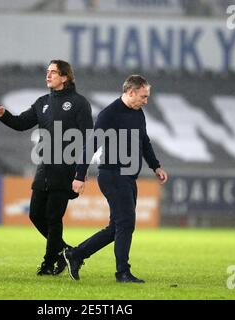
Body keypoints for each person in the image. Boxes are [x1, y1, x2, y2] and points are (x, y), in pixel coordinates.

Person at [63, 75, 168, 283]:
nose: (146, 101)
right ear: (131, 92)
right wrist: (79, 175)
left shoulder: (138, 113)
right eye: (143, 96)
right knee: (126, 223)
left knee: (116, 228)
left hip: (128, 178)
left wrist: (155, 165)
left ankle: (75, 255)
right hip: (112, 175)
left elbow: (144, 141)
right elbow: (91, 145)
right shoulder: (109, 114)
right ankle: (122, 272)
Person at [0, 60, 93, 276]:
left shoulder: (79, 103)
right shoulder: (42, 102)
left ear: (65, 77)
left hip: (66, 168)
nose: (48, 76)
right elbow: (21, 123)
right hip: (44, 168)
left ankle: (49, 264)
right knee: (36, 214)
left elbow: (90, 140)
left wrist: (80, 173)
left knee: (53, 217)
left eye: (53, 72)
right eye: (47, 72)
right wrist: (4, 116)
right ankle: (66, 252)